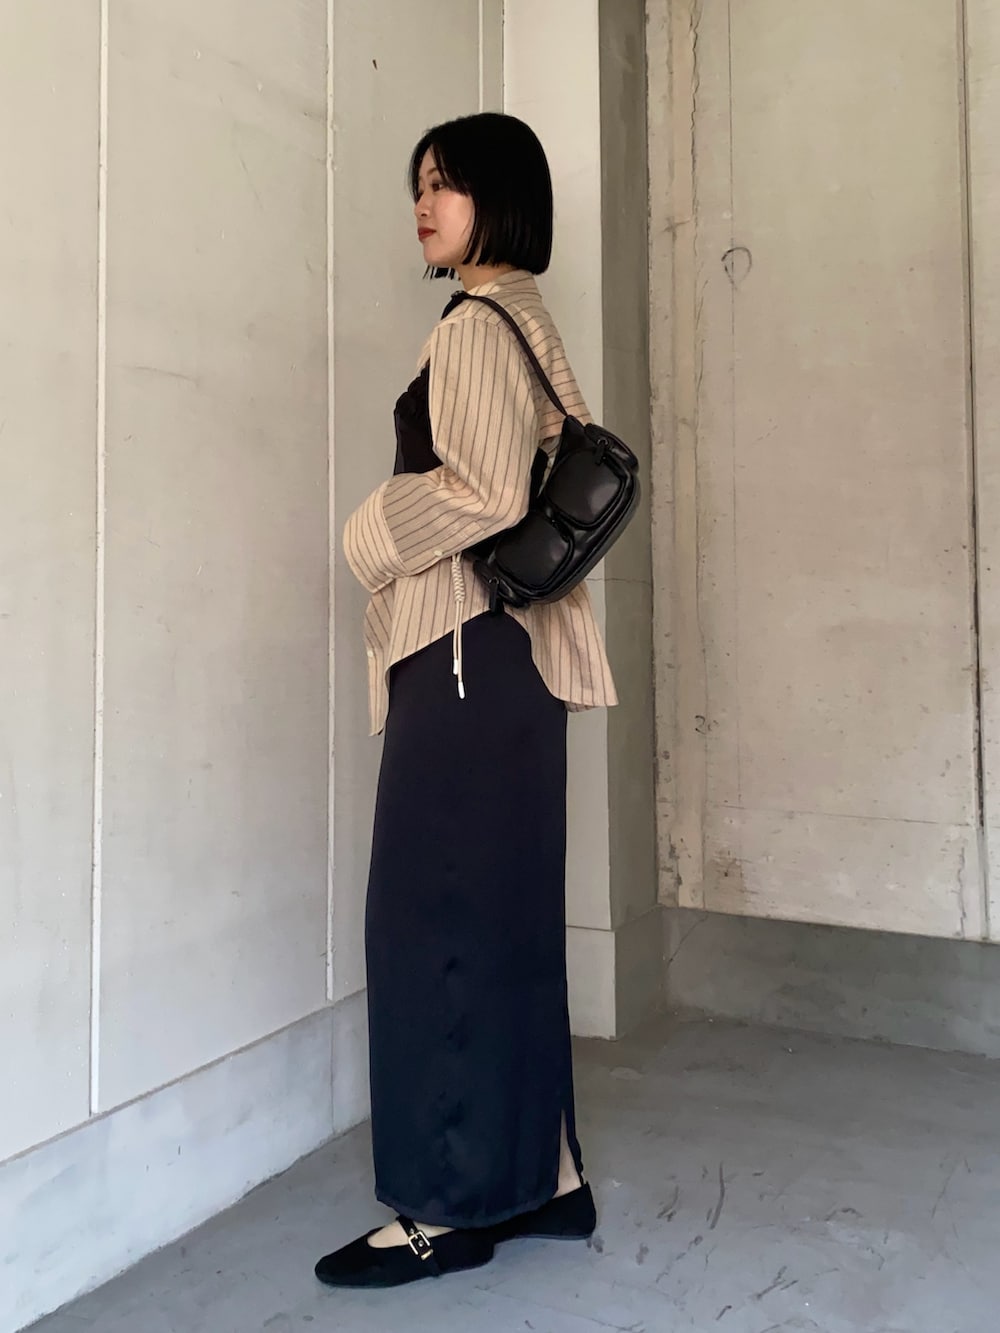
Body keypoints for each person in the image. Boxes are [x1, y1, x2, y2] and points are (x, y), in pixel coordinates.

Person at [314, 111, 617, 1290]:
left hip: (463, 657)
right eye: (419, 186)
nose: (424, 205)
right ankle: (542, 1179)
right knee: (502, 923)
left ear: (501, 198)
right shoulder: (524, 319)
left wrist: (367, 532)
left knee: (431, 922)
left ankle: (444, 1207)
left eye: (445, 184)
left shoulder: (476, 324)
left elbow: (485, 491)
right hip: (510, 666)